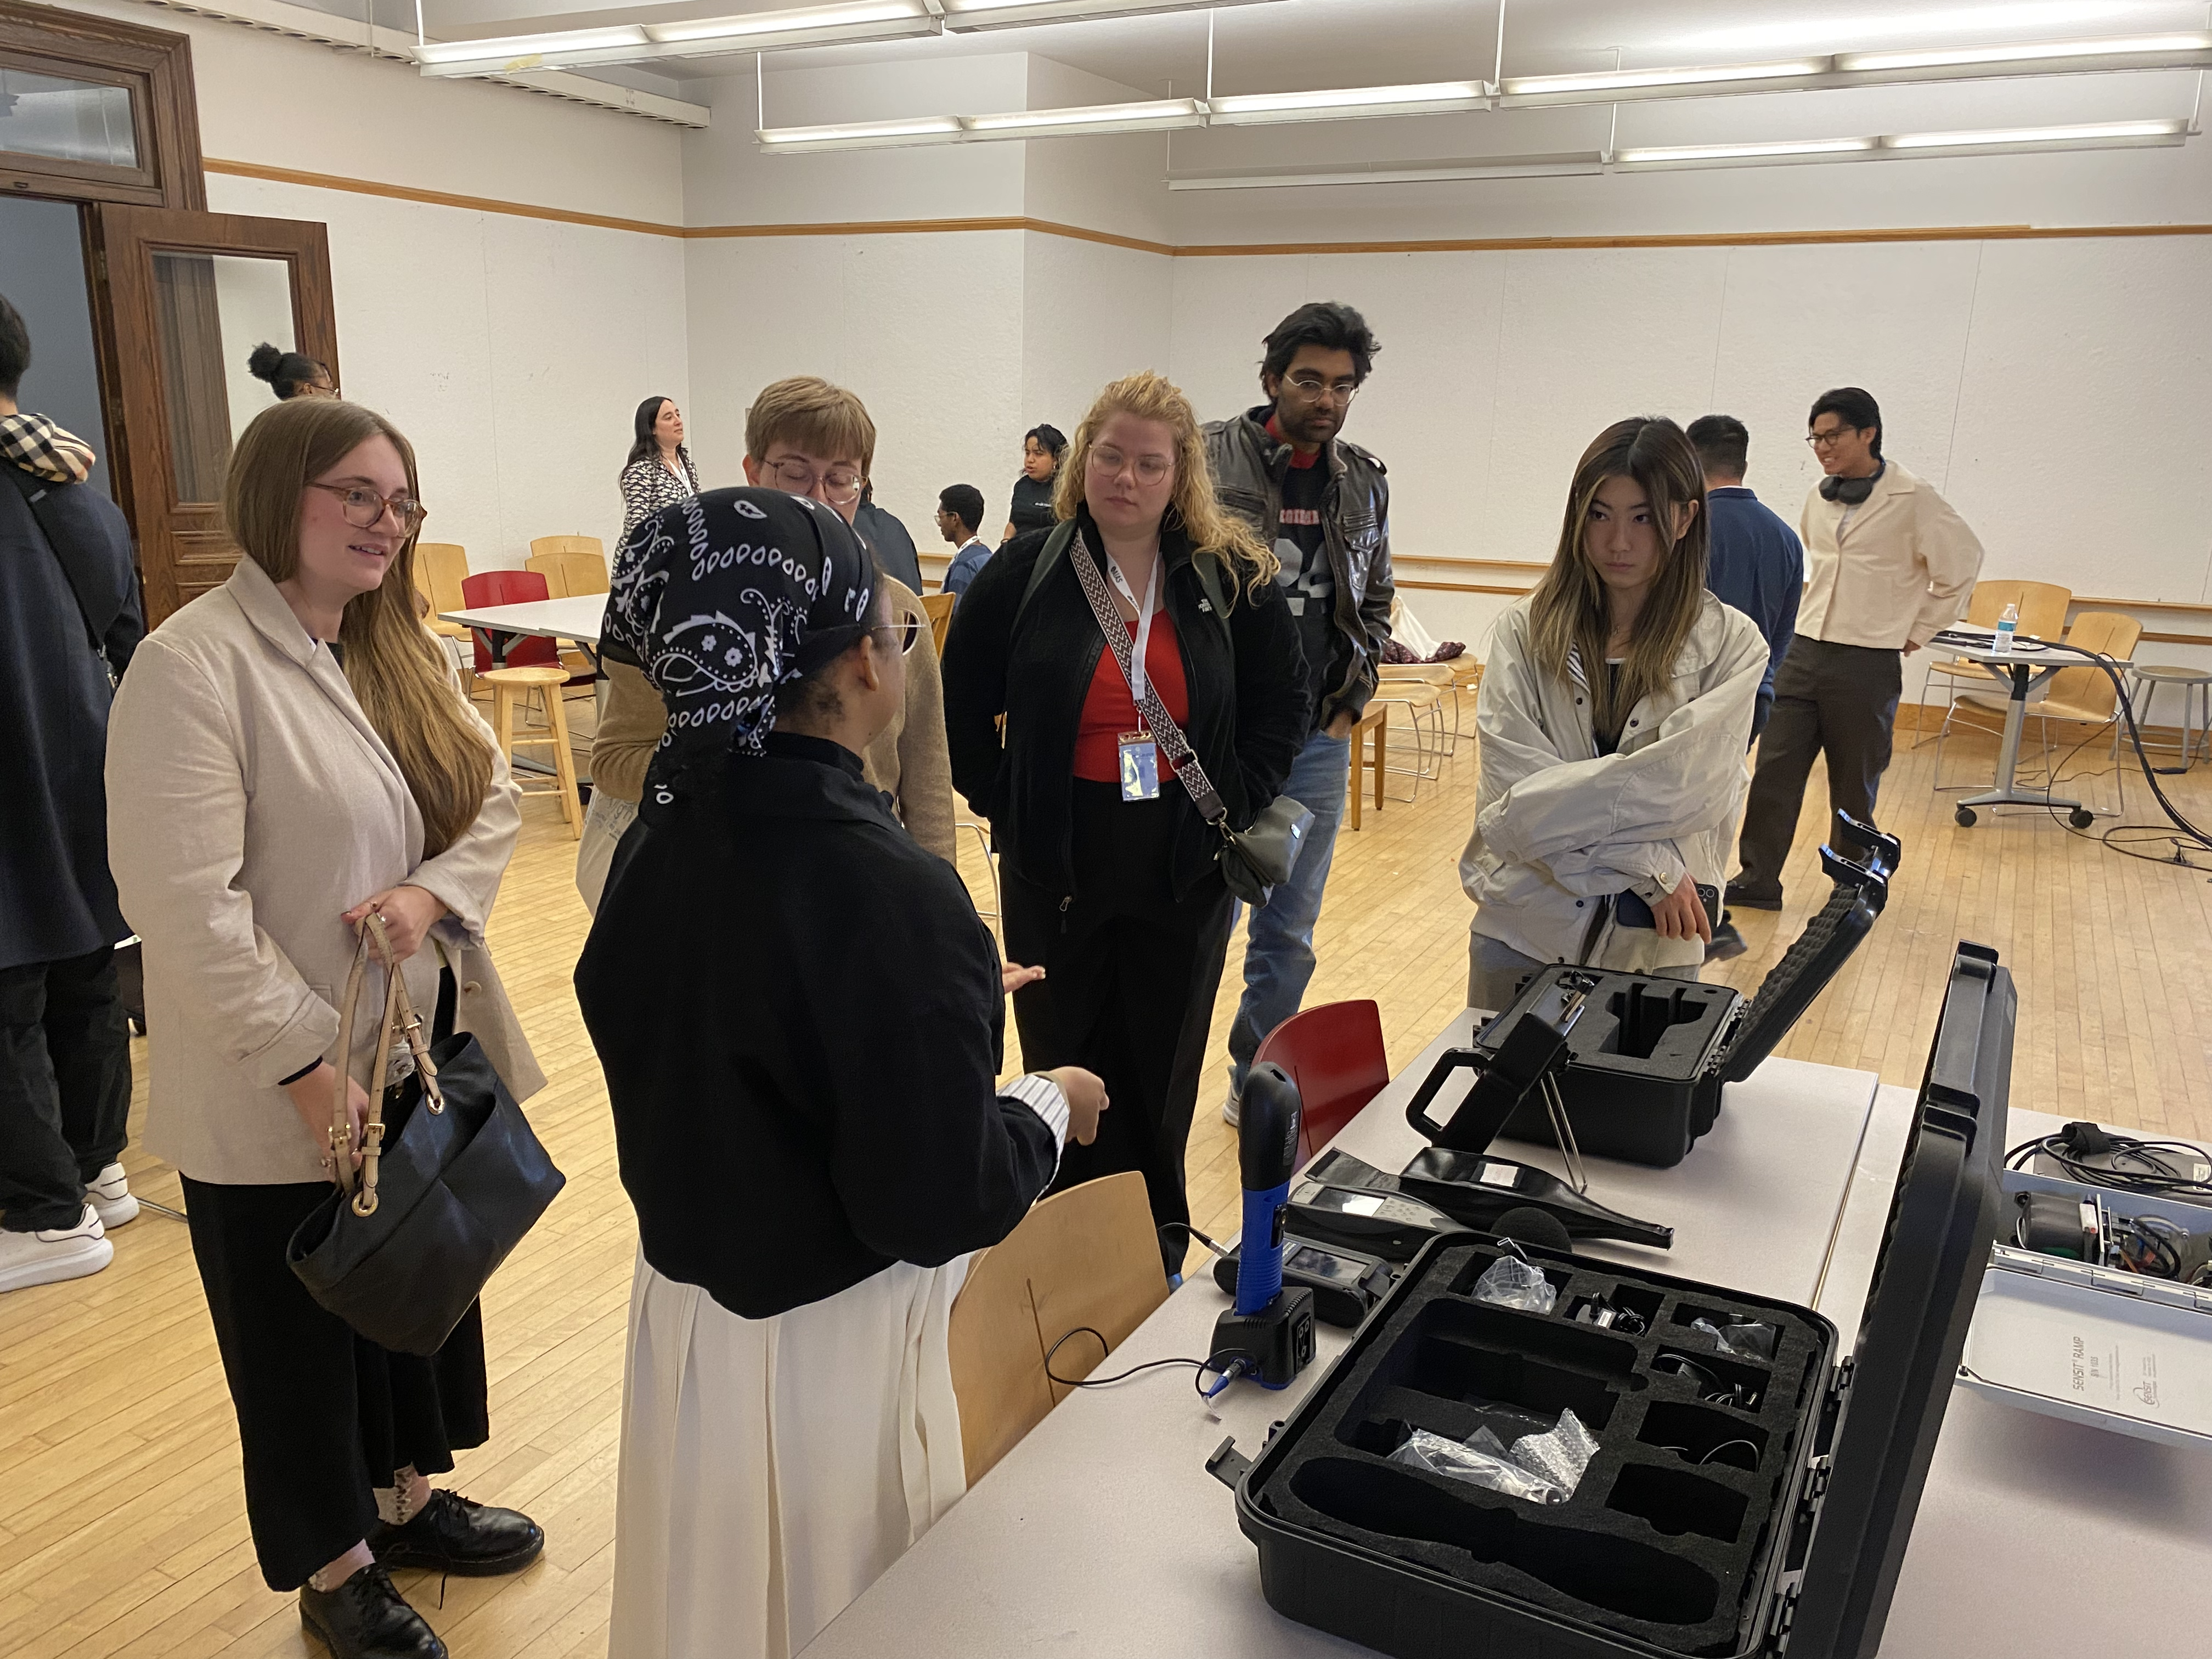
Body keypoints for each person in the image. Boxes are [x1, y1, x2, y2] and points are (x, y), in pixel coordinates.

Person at [577, 486, 1105, 1659]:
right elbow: (932, 1201)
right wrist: (1040, 1105)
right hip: (834, 1350)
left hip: (689, 1326)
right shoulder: (888, 893)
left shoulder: (657, 841)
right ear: (866, 664)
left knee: (711, 1604)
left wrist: (933, 1015)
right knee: (843, 1609)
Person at [106, 397, 549, 1659]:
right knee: (294, 1331)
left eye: (401, 502)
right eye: (356, 493)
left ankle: (405, 1498)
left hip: (407, 1055)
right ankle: (335, 1564)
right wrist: (305, 1064)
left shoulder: (391, 647)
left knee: (405, 1290)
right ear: (277, 493)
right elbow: (183, 908)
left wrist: (429, 893)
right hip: (271, 1079)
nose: (385, 522)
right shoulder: (194, 667)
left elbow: (492, 811)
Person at [942, 370, 1308, 1275]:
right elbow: (958, 698)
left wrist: (1241, 794)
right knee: (1064, 1065)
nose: (1127, 478)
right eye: (1110, 456)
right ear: (1083, 460)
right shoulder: (1024, 570)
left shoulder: (1230, 576)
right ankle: (1062, 1265)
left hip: (1181, 860)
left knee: (1158, 1069)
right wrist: (1006, 798)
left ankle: (1155, 1256)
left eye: (1150, 463)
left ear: (1180, 472)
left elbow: (1282, 702)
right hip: (1055, 860)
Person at [580, 376, 957, 914]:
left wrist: (937, 905)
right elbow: (616, 760)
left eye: (842, 478)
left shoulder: (897, 612)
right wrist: (745, 781)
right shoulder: (679, 613)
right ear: (753, 473)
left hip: (862, 891)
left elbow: (927, 780)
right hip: (722, 895)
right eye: (796, 473)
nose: (819, 497)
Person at [1461, 417, 1766, 1015]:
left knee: (1626, 1110)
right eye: (1600, 515)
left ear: (1684, 517)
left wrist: (1560, 811)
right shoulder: (1523, 636)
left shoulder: (1733, 647)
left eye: (1642, 517)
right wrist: (1648, 861)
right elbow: (1513, 801)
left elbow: (1689, 793)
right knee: (1496, 1106)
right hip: (1524, 929)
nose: (1618, 542)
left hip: (1658, 941)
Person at [1205, 300, 1393, 1127]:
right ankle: (1168, 1073)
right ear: (1272, 378)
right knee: (1198, 924)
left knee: (1289, 935)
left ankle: (1257, 1084)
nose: (1327, 399)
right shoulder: (1204, 460)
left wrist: (1351, 707)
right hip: (1215, 740)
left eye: (1343, 386)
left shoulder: (1365, 479)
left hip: (1317, 742)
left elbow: (1377, 599)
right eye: (1310, 381)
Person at [0, 292, 143, 1293]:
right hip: (82, 759)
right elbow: (128, 637)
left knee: (6, 990)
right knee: (85, 968)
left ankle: (42, 1216)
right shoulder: (75, 485)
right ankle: (99, 1168)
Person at [1728, 388, 1983, 911]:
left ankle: (1849, 884)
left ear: (1868, 433)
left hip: (1867, 661)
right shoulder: (1816, 498)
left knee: (1853, 781)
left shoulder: (1914, 498)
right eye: (1815, 438)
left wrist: (1918, 630)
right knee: (1775, 770)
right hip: (1803, 650)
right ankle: (1758, 878)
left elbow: (1962, 567)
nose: (1822, 447)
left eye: (1833, 435)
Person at [1684, 414, 1803, 963]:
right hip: (1752, 701)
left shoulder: (1689, 528)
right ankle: (1713, 918)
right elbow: (1783, 638)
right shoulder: (1786, 538)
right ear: (1743, 463)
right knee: (1717, 808)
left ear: (1689, 462)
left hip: (1686, 702)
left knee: (1679, 815)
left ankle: (1707, 920)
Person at [618, 395, 698, 539]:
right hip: (650, 556)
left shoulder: (688, 465)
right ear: (652, 429)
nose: (678, 422)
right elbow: (637, 529)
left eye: (678, 415)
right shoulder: (641, 470)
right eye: (669, 418)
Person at [1001, 423, 1065, 544]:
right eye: (1027, 453)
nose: (1030, 459)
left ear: (1056, 458)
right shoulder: (1021, 486)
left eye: (1038, 454)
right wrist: (1005, 542)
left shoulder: (1066, 488)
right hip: (1019, 553)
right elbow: (1014, 522)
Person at [854, 481, 923, 591]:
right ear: (869, 496)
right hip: (913, 606)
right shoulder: (896, 526)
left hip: (877, 606)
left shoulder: (844, 527)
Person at [936, 483, 991, 597]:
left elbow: (956, 614)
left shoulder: (964, 565)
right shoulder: (987, 555)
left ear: (954, 518)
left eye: (941, 516)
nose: (940, 523)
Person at [247, 341, 337, 400]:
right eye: (330, 390)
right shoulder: (329, 427)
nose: (335, 398)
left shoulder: (275, 425)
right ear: (309, 391)